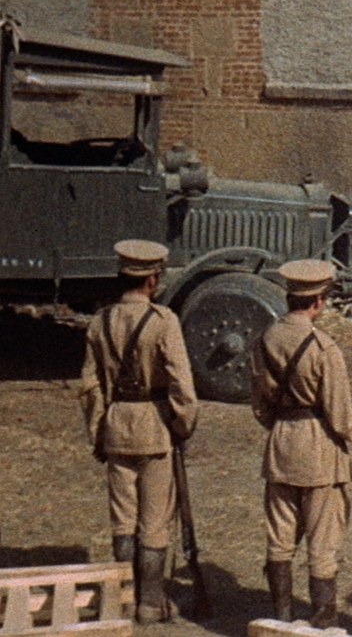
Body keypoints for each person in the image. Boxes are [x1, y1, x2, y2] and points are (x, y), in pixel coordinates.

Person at [251, 259, 352, 628]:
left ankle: (280, 621)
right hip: (319, 451)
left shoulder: (265, 339)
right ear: (319, 301)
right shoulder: (323, 348)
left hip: (281, 444)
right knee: (322, 546)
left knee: (280, 540)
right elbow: (342, 419)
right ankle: (323, 625)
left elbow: (260, 406)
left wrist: (284, 426)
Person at [79, 239, 198, 623]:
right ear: (152, 279)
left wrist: (99, 431)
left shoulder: (101, 322)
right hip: (155, 427)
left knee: (123, 520)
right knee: (155, 522)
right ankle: (149, 602)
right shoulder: (164, 321)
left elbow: (90, 385)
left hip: (117, 425)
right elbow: (182, 383)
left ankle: (124, 600)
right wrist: (182, 424)